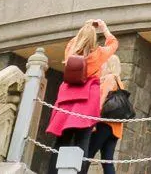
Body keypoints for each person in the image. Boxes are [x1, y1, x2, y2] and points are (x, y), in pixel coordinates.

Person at [45, 19, 118, 173]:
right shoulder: (98, 54)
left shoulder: (70, 52)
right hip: (87, 101)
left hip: (67, 100)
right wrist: (104, 28)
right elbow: (113, 44)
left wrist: (86, 27)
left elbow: (73, 41)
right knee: (83, 140)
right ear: (94, 39)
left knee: (61, 141)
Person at [82, 55, 125, 174]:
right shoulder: (119, 81)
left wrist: (94, 120)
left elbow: (102, 99)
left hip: (103, 124)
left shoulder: (109, 78)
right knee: (107, 161)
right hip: (115, 128)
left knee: (88, 154)